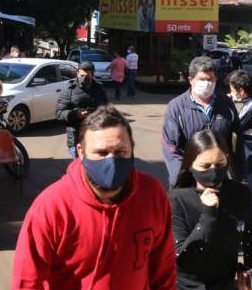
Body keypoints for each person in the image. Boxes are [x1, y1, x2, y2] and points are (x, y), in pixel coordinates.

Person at [12, 106, 176, 290]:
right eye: (101, 153)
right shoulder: (51, 207)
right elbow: (27, 281)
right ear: (81, 152)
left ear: (132, 148)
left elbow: (163, 267)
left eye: (120, 152)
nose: (111, 161)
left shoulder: (152, 194)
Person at [170, 128, 252, 290]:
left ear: (227, 160)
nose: (213, 171)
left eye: (220, 164)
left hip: (226, 283)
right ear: (191, 164)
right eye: (205, 166)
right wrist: (208, 215)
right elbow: (184, 260)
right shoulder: (176, 201)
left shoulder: (241, 195)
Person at [162, 56, 243, 188]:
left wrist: (239, 175)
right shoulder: (176, 107)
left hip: (220, 177)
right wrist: (181, 180)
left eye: (210, 79)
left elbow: (236, 142)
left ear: (216, 79)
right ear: (191, 80)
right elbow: (171, 148)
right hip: (189, 182)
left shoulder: (226, 104)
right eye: (202, 79)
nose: (207, 83)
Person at [55, 61, 108, 158]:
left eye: (87, 76)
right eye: (81, 75)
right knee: (80, 168)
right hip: (76, 140)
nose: (83, 79)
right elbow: (59, 114)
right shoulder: (69, 90)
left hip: (96, 138)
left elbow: (106, 109)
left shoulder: (99, 89)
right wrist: (76, 114)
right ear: (77, 73)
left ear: (93, 74)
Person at [228, 70, 252, 191]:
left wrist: (227, 104)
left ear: (242, 90)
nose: (231, 93)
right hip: (247, 159)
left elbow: (233, 127)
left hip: (246, 160)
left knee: (242, 197)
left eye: (232, 90)